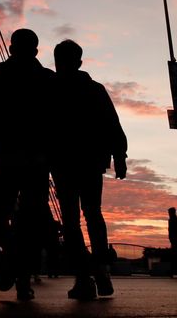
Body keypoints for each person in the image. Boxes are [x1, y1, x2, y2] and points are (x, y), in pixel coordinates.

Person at [0, 28, 57, 301]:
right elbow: (57, 120)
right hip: (36, 160)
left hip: (5, 156)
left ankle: (6, 260)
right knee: (31, 217)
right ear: (36, 50)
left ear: (12, 47)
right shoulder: (46, 79)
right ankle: (23, 277)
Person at [50, 39, 128, 301]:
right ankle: (101, 270)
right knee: (93, 213)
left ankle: (84, 276)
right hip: (91, 161)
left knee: (72, 219)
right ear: (80, 62)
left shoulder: (53, 89)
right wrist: (120, 155)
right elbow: (112, 123)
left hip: (64, 162)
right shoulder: (95, 89)